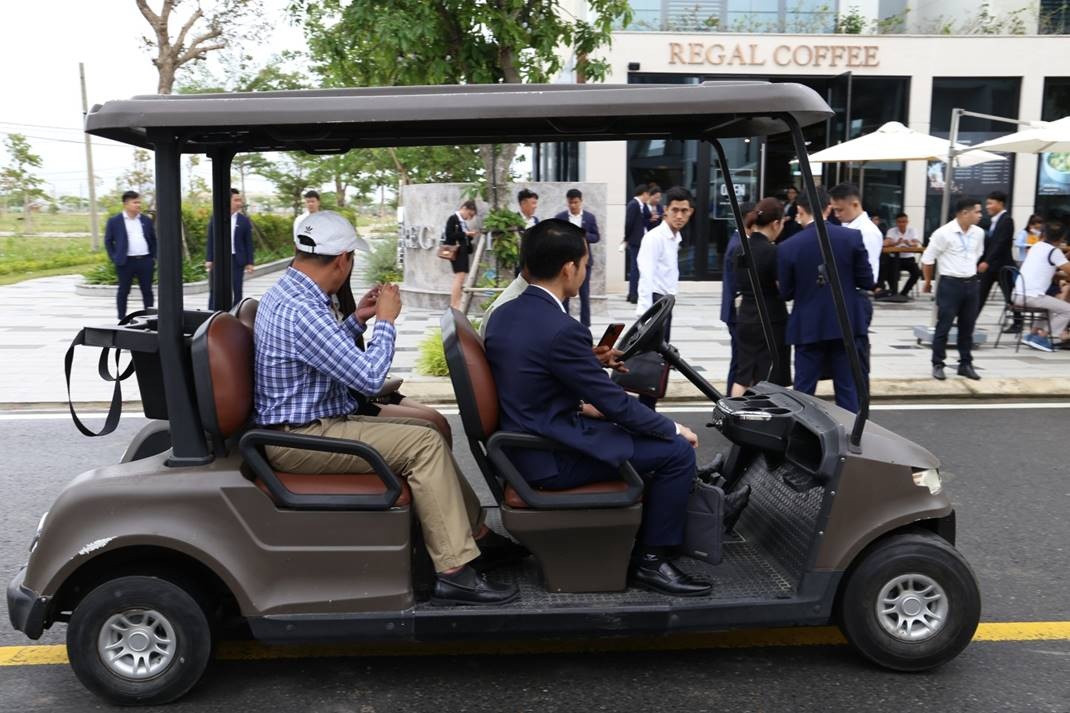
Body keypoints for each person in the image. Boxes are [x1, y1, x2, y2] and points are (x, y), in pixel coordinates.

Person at [254, 210, 521, 606]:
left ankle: (477, 536)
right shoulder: (303, 309)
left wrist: (358, 320)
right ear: (343, 259)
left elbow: (318, 351)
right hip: (303, 437)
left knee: (427, 431)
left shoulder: (292, 294)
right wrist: (386, 322)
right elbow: (367, 378)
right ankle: (454, 573)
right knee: (424, 446)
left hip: (307, 424)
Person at [484, 219, 711, 597]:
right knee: (676, 453)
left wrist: (589, 361)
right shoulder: (561, 328)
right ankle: (651, 561)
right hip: (550, 456)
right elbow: (615, 404)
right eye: (585, 264)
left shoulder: (506, 313)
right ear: (568, 268)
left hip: (527, 441)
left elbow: (532, 370)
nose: (585, 272)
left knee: (645, 436)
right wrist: (673, 428)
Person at [778, 187, 873, 413]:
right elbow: (867, 281)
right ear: (828, 208)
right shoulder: (851, 237)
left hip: (807, 325)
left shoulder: (788, 247)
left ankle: (802, 432)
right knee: (847, 388)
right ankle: (852, 432)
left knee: (803, 391)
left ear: (800, 210)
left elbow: (786, 292)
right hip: (846, 323)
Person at [636, 186, 693, 409]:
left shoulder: (674, 237)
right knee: (650, 364)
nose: (679, 215)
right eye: (675, 210)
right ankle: (645, 412)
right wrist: (644, 318)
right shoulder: (654, 238)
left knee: (658, 364)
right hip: (655, 306)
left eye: (684, 211)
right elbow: (645, 277)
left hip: (665, 305)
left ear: (690, 212)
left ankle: (648, 411)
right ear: (665, 210)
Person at [921, 198, 985, 381]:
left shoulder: (978, 233)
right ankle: (938, 363)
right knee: (944, 325)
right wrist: (928, 281)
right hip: (950, 284)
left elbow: (977, 254)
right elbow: (927, 259)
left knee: (968, 326)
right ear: (965, 213)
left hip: (971, 283)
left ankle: (965, 364)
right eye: (977, 212)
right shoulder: (943, 233)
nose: (980, 215)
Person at [732, 197, 790, 396]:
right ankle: (764, 413)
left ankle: (734, 412)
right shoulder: (774, 252)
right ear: (775, 223)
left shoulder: (739, 249)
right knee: (768, 376)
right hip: (770, 319)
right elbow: (783, 288)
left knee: (743, 375)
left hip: (746, 316)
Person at [1015, 211, 1070, 352]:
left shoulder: (1037, 246)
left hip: (1018, 295)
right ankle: (1042, 338)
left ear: (1044, 234)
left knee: (1052, 304)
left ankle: (1032, 335)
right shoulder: (1054, 251)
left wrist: (1061, 276)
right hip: (1032, 297)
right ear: (1062, 238)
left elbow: (1047, 271)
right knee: (1067, 310)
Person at [720, 202, 757, 394]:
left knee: (739, 361)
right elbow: (739, 284)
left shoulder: (738, 241)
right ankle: (730, 402)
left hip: (734, 312)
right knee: (739, 363)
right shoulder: (740, 245)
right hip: (737, 314)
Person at [104, 190, 156, 321]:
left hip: (145, 261)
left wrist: (153, 257)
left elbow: (153, 239)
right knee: (123, 291)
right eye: (135, 202)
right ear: (126, 204)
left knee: (147, 291)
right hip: (125, 262)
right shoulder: (114, 221)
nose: (139, 205)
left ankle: (150, 318)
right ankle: (121, 318)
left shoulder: (145, 220)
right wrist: (114, 258)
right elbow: (108, 241)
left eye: (139, 202)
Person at [555, 188, 601, 327]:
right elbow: (555, 236)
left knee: (584, 294)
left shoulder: (589, 217)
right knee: (565, 294)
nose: (573, 205)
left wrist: (582, 234)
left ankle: (585, 325)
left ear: (581, 201)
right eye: (570, 203)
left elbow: (596, 237)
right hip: (565, 262)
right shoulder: (560, 217)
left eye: (575, 202)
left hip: (584, 262)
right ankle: (564, 322)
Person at [206, 189, 254, 310]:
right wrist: (209, 259)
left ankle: (236, 315)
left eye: (240, 200)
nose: (239, 203)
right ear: (228, 201)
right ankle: (211, 314)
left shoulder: (244, 220)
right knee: (215, 289)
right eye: (236, 200)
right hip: (219, 259)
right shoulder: (216, 218)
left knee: (237, 289)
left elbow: (248, 242)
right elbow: (211, 239)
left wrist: (250, 262)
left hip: (237, 260)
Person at [829, 183, 882, 290]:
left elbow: (866, 271)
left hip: (855, 290)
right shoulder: (847, 225)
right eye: (834, 210)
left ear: (855, 205)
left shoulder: (868, 232)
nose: (836, 214)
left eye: (840, 210)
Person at [977, 190, 1016, 316]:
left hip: (1002, 266)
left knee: (1009, 296)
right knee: (980, 295)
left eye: (990, 203)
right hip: (991, 266)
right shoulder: (994, 221)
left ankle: (1017, 322)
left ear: (1000, 203)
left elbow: (1000, 244)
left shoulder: (1007, 220)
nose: (987, 207)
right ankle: (969, 321)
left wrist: (987, 262)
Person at [443, 200, 479, 310]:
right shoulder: (453, 219)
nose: (469, 217)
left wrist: (469, 236)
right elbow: (449, 235)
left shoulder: (461, 221)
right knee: (459, 278)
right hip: (457, 252)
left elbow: (462, 237)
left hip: (463, 252)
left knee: (461, 278)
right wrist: (466, 233)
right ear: (464, 208)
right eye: (469, 214)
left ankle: (456, 303)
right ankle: (455, 304)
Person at [881, 212, 922, 297]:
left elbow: (916, 243)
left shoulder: (912, 230)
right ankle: (894, 292)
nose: (902, 224)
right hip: (894, 258)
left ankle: (904, 293)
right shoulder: (891, 231)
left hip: (908, 258)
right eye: (899, 222)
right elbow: (885, 243)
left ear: (907, 222)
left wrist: (909, 243)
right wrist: (896, 243)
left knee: (917, 273)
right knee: (888, 271)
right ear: (896, 222)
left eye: (904, 222)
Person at [623, 183, 651, 304]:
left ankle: (633, 293)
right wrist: (626, 238)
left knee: (638, 267)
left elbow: (648, 216)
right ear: (644, 194)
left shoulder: (641, 205)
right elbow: (628, 223)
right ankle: (633, 294)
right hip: (635, 241)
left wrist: (645, 205)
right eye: (648, 195)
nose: (648, 198)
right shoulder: (633, 204)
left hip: (641, 241)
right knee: (635, 268)